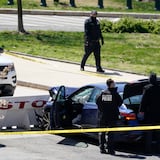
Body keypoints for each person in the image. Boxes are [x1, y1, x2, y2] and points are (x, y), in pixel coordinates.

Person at [96, 78, 123, 155]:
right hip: (112, 116)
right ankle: (110, 149)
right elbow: (120, 102)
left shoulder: (104, 93)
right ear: (111, 84)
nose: (115, 85)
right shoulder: (114, 93)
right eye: (114, 83)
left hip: (104, 115)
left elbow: (98, 102)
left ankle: (102, 148)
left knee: (102, 132)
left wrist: (102, 110)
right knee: (111, 133)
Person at [139, 72, 160, 154]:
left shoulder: (147, 88)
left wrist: (141, 111)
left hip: (149, 113)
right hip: (159, 114)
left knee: (149, 133)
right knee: (158, 133)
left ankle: (148, 150)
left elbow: (143, 101)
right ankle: (158, 149)